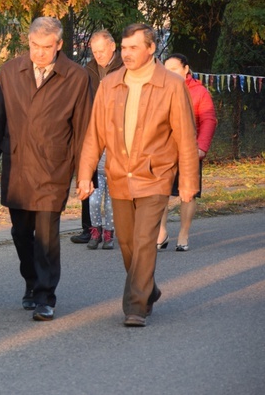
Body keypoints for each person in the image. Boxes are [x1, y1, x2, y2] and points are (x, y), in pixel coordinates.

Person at [78, 23, 199, 327]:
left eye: (134, 47)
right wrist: (84, 176)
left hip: (155, 176)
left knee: (145, 239)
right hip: (118, 175)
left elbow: (186, 138)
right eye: (124, 47)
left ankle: (135, 306)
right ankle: (149, 289)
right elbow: (94, 135)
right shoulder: (110, 84)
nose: (127, 54)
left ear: (150, 48)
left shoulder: (171, 85)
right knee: (128, 244)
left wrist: (187, 183)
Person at [0, 16, 93, 322]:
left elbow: (83, 130)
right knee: (20, 232)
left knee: (46, 236)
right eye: (34, 46)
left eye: (46, 47)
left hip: (54, 169)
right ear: (28, 42)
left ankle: (45, 296)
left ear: (59, 45)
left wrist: (84, 174)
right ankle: (31, 280)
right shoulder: (12, 71)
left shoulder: (76, 77)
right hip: (17, 166)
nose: (39, 53)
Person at [157, 53, 217, 251]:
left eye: (174, 69)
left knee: (188, 194)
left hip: (190, 151)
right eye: (166, 69)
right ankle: (161, 232)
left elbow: (208, 120)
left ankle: (183, 233)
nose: (169, 73)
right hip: (164, 150)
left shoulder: (199, 92)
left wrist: (201, 147)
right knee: (161, 193)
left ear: (186, 69)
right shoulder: (161, 89)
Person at [71, 29, 124, 246]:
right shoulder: (88, 69)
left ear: (112, 47)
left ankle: (115, 228)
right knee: (87, 177)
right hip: (91, 128)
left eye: (101, 51)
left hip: (117, 131)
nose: (98, 55)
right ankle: (89, 228)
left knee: (115, 183)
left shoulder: (124, 67)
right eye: (94, 51)